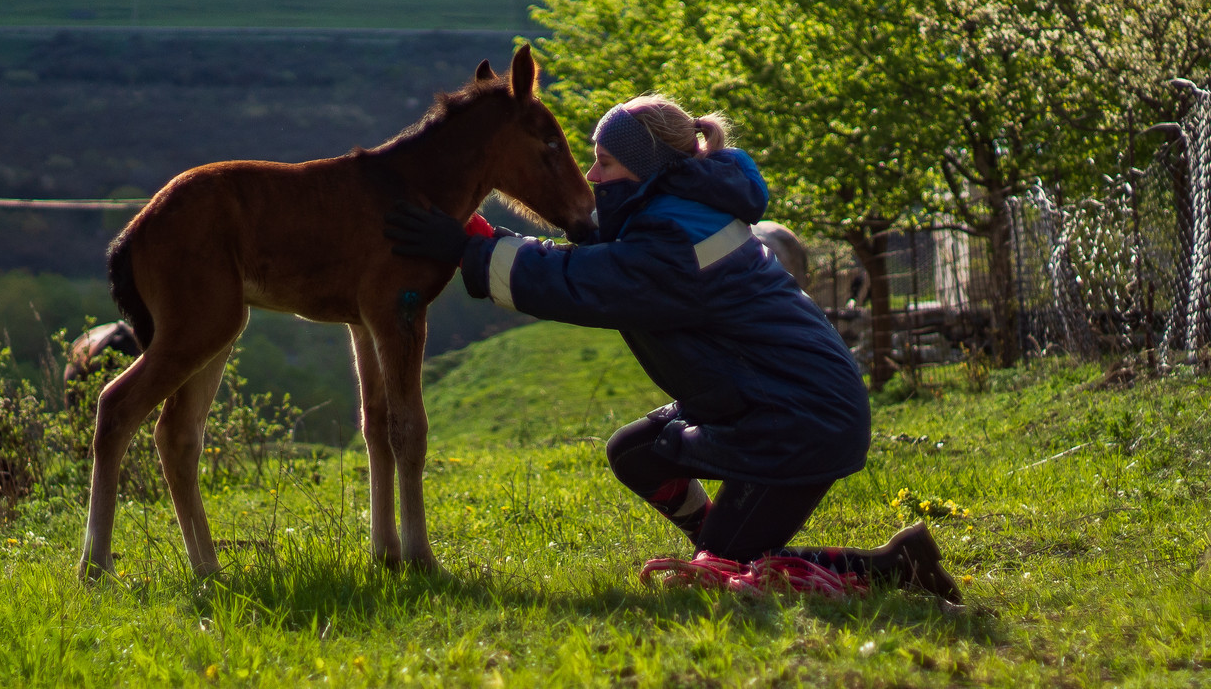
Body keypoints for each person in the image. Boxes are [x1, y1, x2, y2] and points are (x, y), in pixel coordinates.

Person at [385, 94, 960, 602]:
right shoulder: (676, 211)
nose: (591, 174)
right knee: (636, 454)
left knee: (728, 574)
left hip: (800, 420)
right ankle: (725, 539)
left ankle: (892, 566)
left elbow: (583, 284)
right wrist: (480, 239)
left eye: (604, 162)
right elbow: (597, 262)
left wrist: (471, 252)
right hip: (763, 402)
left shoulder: (671, 239)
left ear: (643, 168)